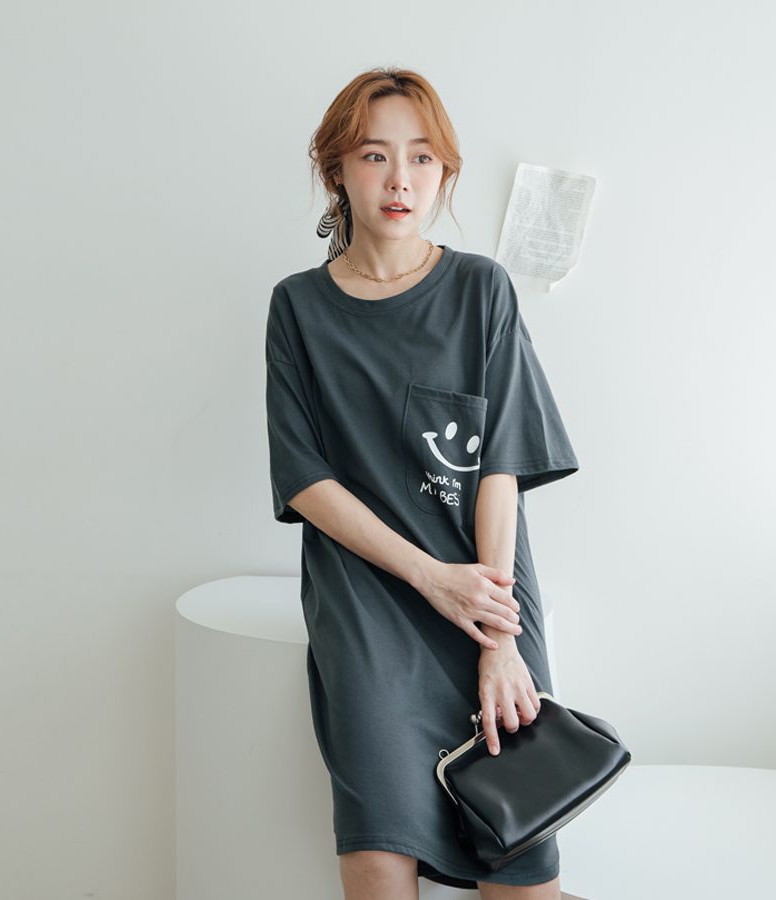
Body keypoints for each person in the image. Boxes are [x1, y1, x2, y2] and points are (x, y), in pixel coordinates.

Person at [265, 67, 580, 900]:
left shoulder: (481, 289)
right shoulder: (298, 308)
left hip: (487, 589)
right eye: (374, 155)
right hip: (366, 603)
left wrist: (499, 640)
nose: (399, 179)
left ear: (444, 173)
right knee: (378, 853)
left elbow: (501, 468)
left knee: (520, 859)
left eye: (422, 158)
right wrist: (428, 578)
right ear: (337, 169)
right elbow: (304, 478)